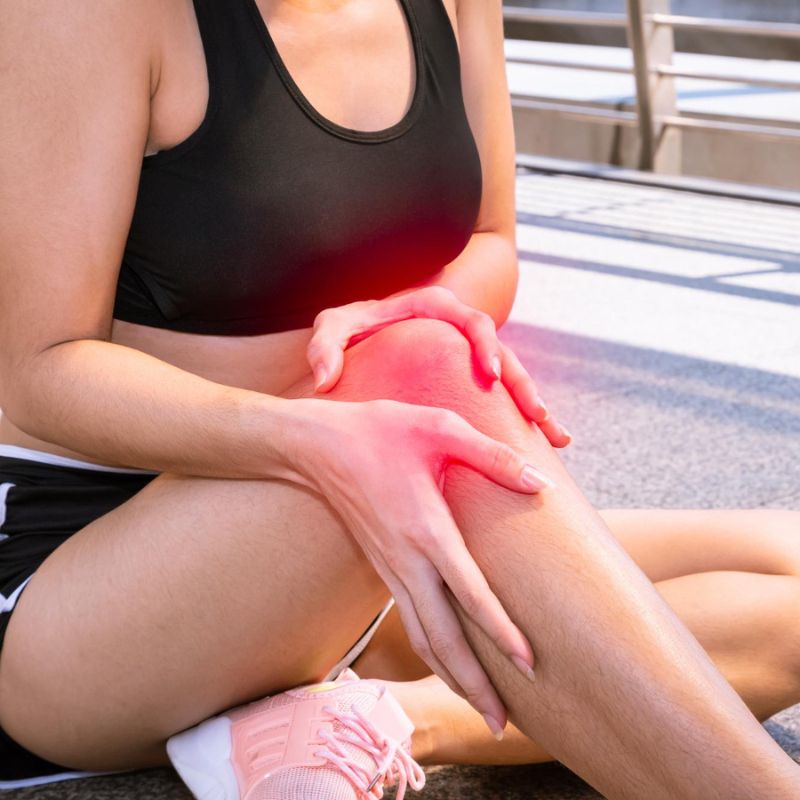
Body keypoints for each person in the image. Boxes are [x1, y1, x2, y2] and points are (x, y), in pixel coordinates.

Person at [0, 0, 799, 797]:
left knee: (789, 590)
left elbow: (492, 243)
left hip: (363, 527)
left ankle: (393, 717)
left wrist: (407, 316)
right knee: (423, 362)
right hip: (83, 573)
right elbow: (40, 368)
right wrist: (312, 437)